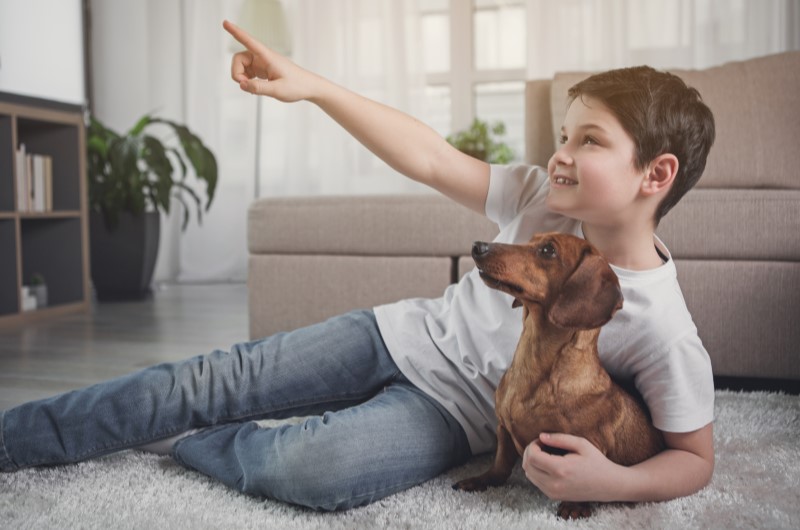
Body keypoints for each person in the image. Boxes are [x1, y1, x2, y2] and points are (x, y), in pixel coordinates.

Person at [0, 19, 716, 512]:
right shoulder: (537, 197)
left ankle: (192, 437)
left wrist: (611, 482)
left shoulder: (663, 325)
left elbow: (695, 458)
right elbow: (429, 156)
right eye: (564, 134)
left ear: (655, 174)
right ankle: (18, 437)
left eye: (589, 140)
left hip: (451, 414)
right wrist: (312, 86)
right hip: (392, 335)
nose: (560, 153)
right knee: (213, 378)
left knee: (315, 468)